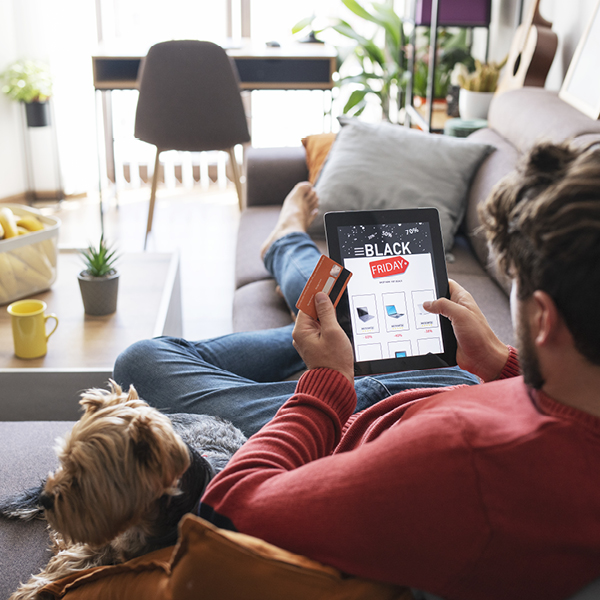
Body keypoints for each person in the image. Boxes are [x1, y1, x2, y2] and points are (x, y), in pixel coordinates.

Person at [114, 141, 600, 600]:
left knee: (142, 361)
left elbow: (230, 509)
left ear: (541, 318)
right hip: (453, 385)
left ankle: (294, 258)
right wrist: (501, 364)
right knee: (347, 308)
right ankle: (322, 301)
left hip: (350, 421)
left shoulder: (463, 458)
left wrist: (327, 383)